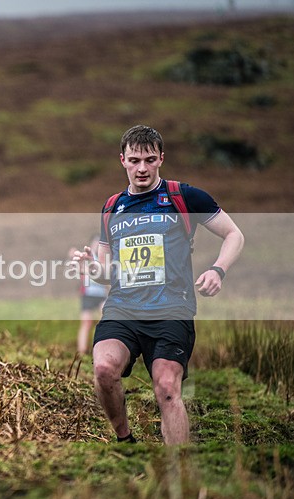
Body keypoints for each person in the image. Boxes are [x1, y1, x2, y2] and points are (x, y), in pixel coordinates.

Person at [72, 125, 244, 445]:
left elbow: (234, 234)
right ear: (122, 160)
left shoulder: (184, 196)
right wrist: (92, 268)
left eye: (150, 160)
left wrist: (218, 270)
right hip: (123, 307)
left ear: (161, 159)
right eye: (134, 160)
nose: (142, 168)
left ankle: (177, 469)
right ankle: (126, 441)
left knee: (166, 389)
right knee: (104, 370)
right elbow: (108, 272)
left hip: (172, 309)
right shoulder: (112, 207)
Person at [68, 235, 108, 355]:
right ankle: (82, 352)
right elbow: (75, 257)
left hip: (101, 295)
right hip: (88, 294)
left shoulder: (104, 259)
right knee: (87, 322)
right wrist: (72, 254)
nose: (97, 246)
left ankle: (104, 350)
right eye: (95, 243)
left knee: (105, 319)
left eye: (99, 244)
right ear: (91, 244)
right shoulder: (87, 256)